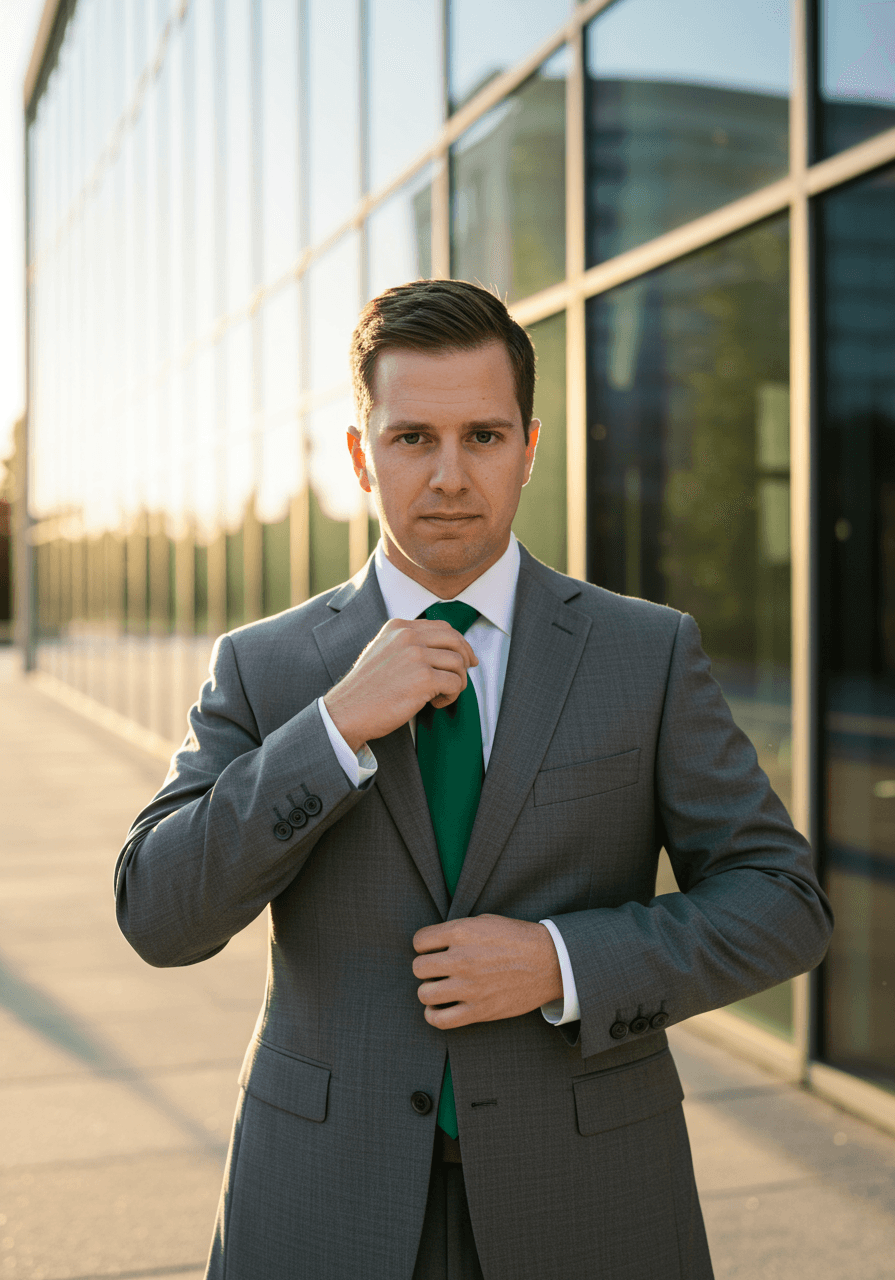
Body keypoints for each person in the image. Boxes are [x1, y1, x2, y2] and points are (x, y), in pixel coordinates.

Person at [115, 279, 833, 1280]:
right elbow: (158, 911)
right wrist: (331, 729)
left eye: (482, 437)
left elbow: (781, 904)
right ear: (362, 454)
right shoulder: (266, 667)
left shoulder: (646, 652)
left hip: (588, 1195)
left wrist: (561, 960)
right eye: (413, 438)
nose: (449, 476)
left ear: (529, 447)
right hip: (323, 1197)